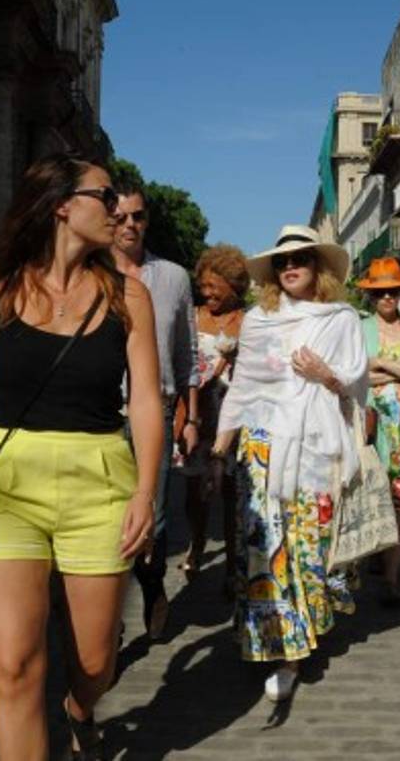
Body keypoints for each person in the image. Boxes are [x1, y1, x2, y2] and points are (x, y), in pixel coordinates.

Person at [0, 154, 163, 759]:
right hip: (2, 484)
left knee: (95, 663)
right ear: (62, 204)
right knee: (13, 666)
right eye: (106, 196)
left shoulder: (129, 297)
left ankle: (78, 708)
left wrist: (146, 494)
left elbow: (144, 403)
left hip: (100, 480)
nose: (119, 209)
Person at [212, 224, 367, 703]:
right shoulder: (259, 320)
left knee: (307, 549)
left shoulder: (340, 319)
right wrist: (221, 447)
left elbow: (357, 383)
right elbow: (243, 388)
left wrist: (326, 374)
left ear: (317, 266)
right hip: (262, 448)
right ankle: (284, 648)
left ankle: (299, 638)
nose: (290, 267)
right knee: (267, 550)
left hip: (315, 449)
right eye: (282, 262)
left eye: (299, 258)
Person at [112, 184, 199, 639]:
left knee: (155, 516)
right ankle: (106, 613)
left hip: (159, 411)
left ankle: (151, 590)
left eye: (138, 217)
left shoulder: (174, 277)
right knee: (107, 515)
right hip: (101, 413)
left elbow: (187, 353)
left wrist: (192, 415)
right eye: (121, 216)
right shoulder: (90, 273)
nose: (130, 225)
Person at [177, 244, 248, 596]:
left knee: (234, 492)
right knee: (195, 491)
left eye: (214, 288)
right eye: (203, 286)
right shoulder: (191, 316)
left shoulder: (247, 320)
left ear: (233, 285)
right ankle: (198, 542)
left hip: (234, 416)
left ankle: (234, 564)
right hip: (200, 414)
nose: (207, 294)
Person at [358, 257, 400, 606]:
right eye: (381, 292)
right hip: (370, 426)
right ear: (371, 296)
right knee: (370, 496)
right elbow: (356, 374)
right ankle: (373, 555)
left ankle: (392, 577)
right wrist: (397, 370)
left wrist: (380, 364)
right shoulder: (359, 327)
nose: (387, 298)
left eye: (393, 291)